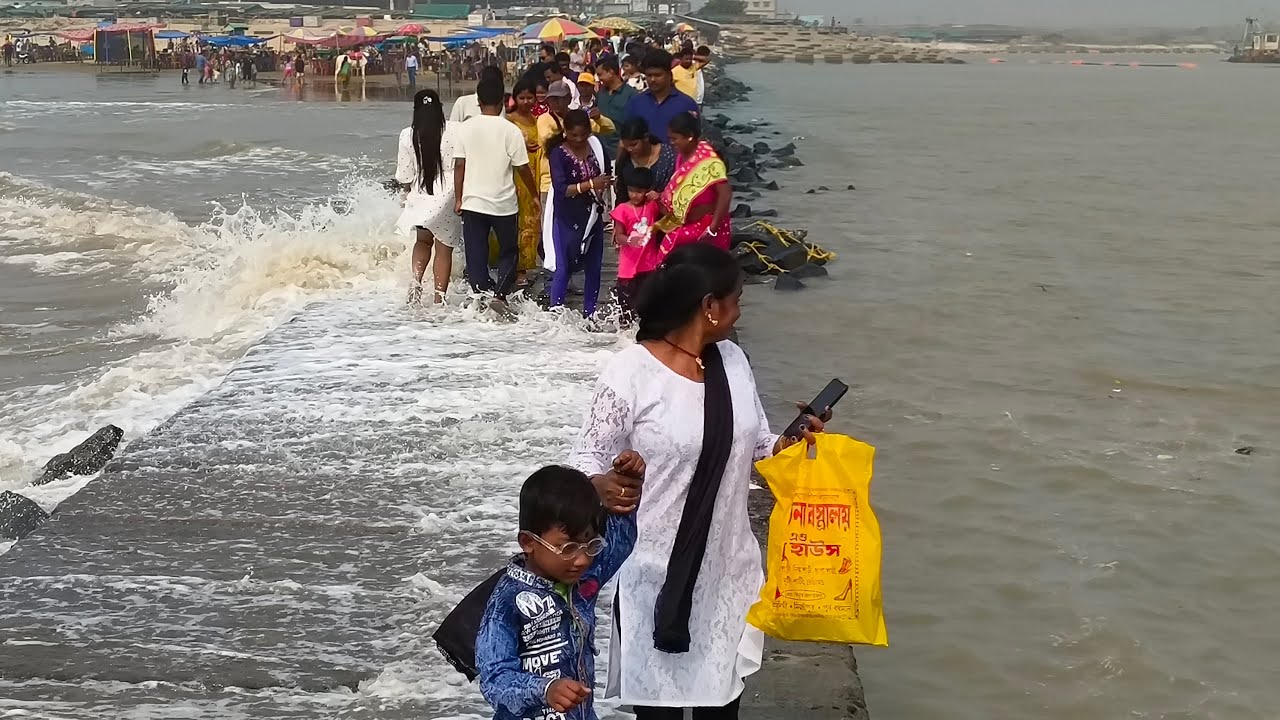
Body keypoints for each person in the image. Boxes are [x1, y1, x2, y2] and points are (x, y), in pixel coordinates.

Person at [570, 243, 829, 720]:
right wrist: (603, 483)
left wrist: (789, 444)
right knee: (660, 711)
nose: (739, 310)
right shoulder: (632, 372)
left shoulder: (732, 360)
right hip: (654, 575)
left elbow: (754, 445)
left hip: (728, 572)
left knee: (720, 709)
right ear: (709, 307)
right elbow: (586, 455)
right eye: (736, 299)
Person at [476, 461, 642, 720]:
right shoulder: (507, 601)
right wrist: (545, 689)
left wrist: (626, 486)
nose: (582, 560)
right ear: (528, 542)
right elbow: (495, 679)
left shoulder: (583, 580)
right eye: (568, 548)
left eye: (590, 544)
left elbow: (621, 543)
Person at [453, 78, 540, 302]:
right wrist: (534, 194)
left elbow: (459, 165)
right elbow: (522, 168)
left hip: (473, 202)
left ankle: (481, 294)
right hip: (504, 204)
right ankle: (500, 294)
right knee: (508, 252)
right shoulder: (511, 130)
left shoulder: (464, 128)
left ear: (478, 101)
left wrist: (458, 198)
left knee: (476, 254)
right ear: (503, 101)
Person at [395, 89, 462, 305]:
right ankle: (438, 299)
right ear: (440, 108)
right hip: (449, 195)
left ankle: (415, 285)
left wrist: (408, 193)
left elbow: (405, 175)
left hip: (422, 194)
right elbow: (462, 163)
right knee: (444, 248)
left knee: (422, 242)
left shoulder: (408, 134)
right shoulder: (455, 129)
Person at [547, 110, 612, 317]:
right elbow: (562, 189)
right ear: (565, 132)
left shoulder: (597, 149)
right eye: (573, 135)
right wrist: (590, 184)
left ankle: (589, 315)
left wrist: (604, 188)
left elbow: (607, 173)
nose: (578, 140)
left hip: (592, 216)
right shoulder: (558, 153)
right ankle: (555, 315)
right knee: (563, 267)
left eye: (583, 135)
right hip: (567, 217)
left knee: (594, 267)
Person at [652, 112, 732, 263]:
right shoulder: (681, 156)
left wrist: (713, 228)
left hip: (707, 227)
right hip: (685, 224)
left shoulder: (709, 160)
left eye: (674, 138)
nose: (672, 143)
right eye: (670, 139)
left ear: (689, 136)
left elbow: (725, 194)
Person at [610, 166, 661, 323]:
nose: (635, 195)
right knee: (626, 307)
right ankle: (625, 337)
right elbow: (618, 236)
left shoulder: (652, 207)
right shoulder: (622, 210)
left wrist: (658, 197)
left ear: (647, 190)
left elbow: (669, 213)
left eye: (639, 191)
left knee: (650, 304)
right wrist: (628, 240)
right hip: (628, 267)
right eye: (631, 190)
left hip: (649, 265)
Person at [507, 79, 544, 276]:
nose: (527, 101)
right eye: (522, 97)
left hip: (535, 173)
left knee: (531, 221)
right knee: (515, 221)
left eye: (530, 97)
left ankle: (525, 266)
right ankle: (513, 266)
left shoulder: (538, 120)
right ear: (515, 99)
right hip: (516, 176)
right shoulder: (509, 120)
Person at [624, 50, 698, 144]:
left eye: (658, 75)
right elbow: (627, 138)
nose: (652, 79)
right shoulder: (636, 103)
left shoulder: (687, 104)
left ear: (669, 75)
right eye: (649, 75)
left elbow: (695, 139)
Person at [613, 118, 678, 211]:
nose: (629, 149)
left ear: (646, 138)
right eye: (626, 145)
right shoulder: (625, 159)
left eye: (634, 144)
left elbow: (674, 190)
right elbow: (621, 195)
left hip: (661, 216)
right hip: (630, 217)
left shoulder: (668, 157)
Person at [594, 56, 637, 158]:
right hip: (600, 152)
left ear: (610, 72)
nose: (599, 79)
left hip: (622, 152)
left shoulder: (631, 94)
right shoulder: (601, 93)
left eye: (600, 74)